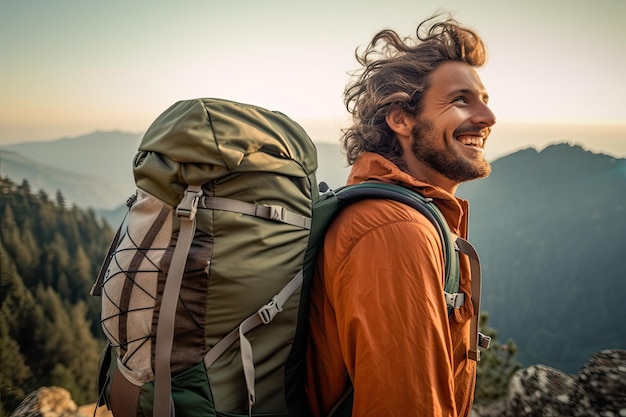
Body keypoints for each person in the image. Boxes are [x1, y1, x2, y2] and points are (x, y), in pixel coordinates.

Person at [305, 13, 496, 417]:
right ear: (401, 119)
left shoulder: (401, 216)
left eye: (484, 100)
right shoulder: (394, 231)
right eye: (461, 100)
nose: (487, 117)